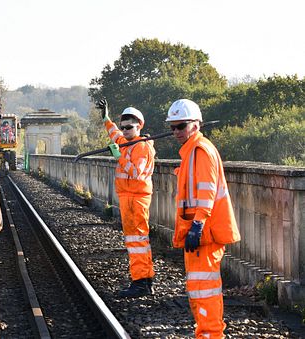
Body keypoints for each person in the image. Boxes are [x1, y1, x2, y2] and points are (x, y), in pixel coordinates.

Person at [166, 99, 240, 339]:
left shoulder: (200, 150)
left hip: (204, 234)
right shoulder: (191, 151)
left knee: (204, 290)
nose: (176, 131)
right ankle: (206, 333)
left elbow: (206, 192)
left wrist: (197, 225)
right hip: (198, 233)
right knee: (199, 290)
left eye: (181, 126)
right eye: (172, 127)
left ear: (195, 125)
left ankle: (211, 335)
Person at [97, 99, 156, 298]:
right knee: (139, 240)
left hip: (136, 199)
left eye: (129, 127)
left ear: (139, 125)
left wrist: (119, 158)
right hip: (128, 197)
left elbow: (136, 172)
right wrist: (105, 117)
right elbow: (114, 133)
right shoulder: (125, 142)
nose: (124, 130)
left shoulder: (141, 147)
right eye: (123, 127)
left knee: (136, 241)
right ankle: (146, 280)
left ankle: (140, 282)